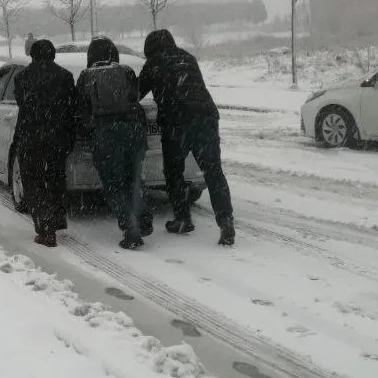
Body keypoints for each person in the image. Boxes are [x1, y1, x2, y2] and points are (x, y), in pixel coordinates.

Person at [138, 29, 235, 246]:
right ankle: (226, 222)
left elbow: (136, 93)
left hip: (177, 123)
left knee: (173, 173)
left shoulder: (153, 64)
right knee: (213, 172)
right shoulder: (188, 58)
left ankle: (182, 218)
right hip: (206, 118)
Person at [76, 37, 153, 250]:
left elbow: (80, 109)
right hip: (134, 133)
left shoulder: (86, 76)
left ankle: (131, 230)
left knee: (114, 185)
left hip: (106, 136)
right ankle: (144, 219)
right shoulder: (126, 71)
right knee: (134, 178)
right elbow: (135, 98)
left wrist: (88, 129)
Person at [12, 39, 77, 247]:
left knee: (34, 182)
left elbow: (21, 101)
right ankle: (58, 217)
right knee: (56, 176)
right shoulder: (65, 76)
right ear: (53, 54)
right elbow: (71, 105)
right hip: (59, 136)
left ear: (32, 55)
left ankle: (46, 230)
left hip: (30, 136)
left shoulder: (22, 77)